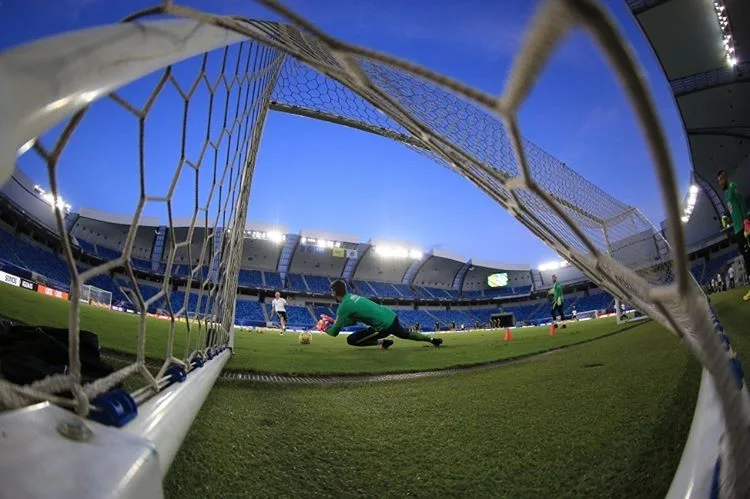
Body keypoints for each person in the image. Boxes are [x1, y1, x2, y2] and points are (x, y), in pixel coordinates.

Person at [319, 280, 443, 349]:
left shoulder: (343, 306)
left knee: (352, 340)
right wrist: (332, 321)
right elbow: (353, 321)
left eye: (332, 291)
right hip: (390, 316)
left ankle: (382, 342)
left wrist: (324, 328)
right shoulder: (352, 297)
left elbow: (334, 333)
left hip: (383, 326)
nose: (331, 294)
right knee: (405, 334)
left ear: (335, 292)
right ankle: (432, 340)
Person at [717, 170, 750, 300]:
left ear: (726, 177)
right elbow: (733, 210)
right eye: (718, 181)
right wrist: (727, 218)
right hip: (737, 229)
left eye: (721, 180)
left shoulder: (732, 187)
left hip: (743, 227)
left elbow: (741, 204)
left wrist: (746, 221)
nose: (720, 183)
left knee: (748, 256)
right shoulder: (726, 193)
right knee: (746, 257)